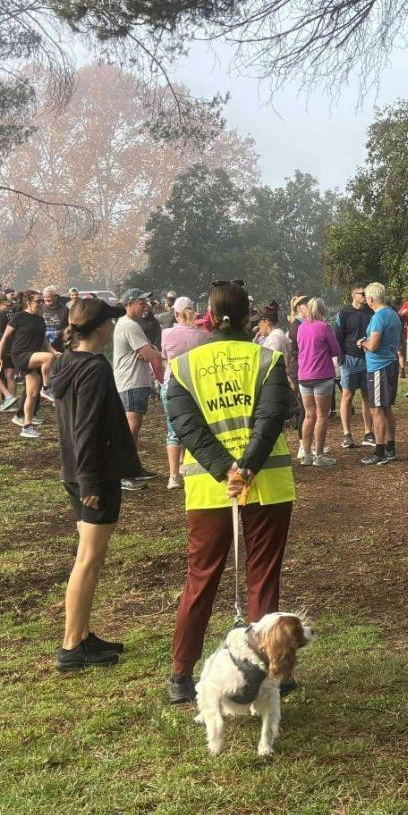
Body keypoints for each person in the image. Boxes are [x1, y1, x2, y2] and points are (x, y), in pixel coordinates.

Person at [163, 280, 298, 705]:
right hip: (267, 485)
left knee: (200, 580)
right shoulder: (268, 359)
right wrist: (246, 467)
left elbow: (186, 427)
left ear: (208, 315)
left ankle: (181, 676)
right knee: (263, 579)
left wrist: (224, 470)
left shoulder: (183, 367)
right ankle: (273, 673)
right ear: (248, 316)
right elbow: (271, 418)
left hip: (209, 490)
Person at [48, 296, 142, 672]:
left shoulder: (66, 362)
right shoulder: (95, 369)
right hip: (93, 474)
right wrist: (90, 481)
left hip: (76, 471)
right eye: (111, 322)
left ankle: (83, 634)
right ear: (102, 328)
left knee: (91, 557)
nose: (113, 327)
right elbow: (86, 426)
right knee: (87, 560)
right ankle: (72, 646)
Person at [111, 289, 161, 480]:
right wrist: (152, 351)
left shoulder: (131, 325)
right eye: (141, 303)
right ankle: (126, 471)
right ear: (129, 304)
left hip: (133, 381)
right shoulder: (130, 325)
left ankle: (133, 467)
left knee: (133, 428)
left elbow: (147, 352)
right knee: (131, 428)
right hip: (130, 382)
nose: (145, 306)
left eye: (146, 303)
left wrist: (150, 350)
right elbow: (148, 354)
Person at [160, 296, 208, 488]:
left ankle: (173, 476)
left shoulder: (167, 334)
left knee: (173, 430)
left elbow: (164, 356)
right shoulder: (202, 336)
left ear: (175, 313)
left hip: (171, 382)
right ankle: (187, 467)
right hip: (194, 385)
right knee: (193, 427)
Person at [0, 290, 55, 439]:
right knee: (48, 358)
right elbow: (4, 338)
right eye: (38, 301)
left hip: (34, 356)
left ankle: (27, 426)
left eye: (42, 301)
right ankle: (47, 388)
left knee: (32, 394)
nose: (41, 303)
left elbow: (44, 341)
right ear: (28, 302)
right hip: (20, 355)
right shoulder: (19, 317)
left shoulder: (40, 319)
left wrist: (54, 351)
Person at [294, 297, 341, 467]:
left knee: (309, 415)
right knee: (322, 415)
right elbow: (336, 350)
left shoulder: (301, 328)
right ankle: (319, 455)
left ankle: (307, 454)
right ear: (322, 310)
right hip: (321, 375)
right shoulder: (324, 327)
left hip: (304, 376)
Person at [361, 282, 404, 466]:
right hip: (390, 363)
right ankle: (390, 448)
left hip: (379, 367)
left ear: (371, 299)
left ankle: (379, 451)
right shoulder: (393, 314)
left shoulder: (379, 317)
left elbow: (373, 345)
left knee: (377, 409)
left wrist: (362, 342)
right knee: (386, 408)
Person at [333, 285, 375, 449]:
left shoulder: (371, 312)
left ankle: (368, 433)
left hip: (368, 358)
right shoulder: (344, 313)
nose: (365, 296)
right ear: (353, 295)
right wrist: (341, 359)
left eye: (366, 293)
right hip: (349, 359)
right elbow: (338, 337)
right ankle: (347, 435)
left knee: (367, 396)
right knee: (347, 396)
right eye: (362, 293)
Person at [38, 286, 68, 352]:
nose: (46, 299)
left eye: (49, 297)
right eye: (45, 297)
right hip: (44, 343)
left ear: (55, 297)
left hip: (60, 343)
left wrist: (60, 332)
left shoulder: (65, 309)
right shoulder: (40, 308)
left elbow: (69, 326)